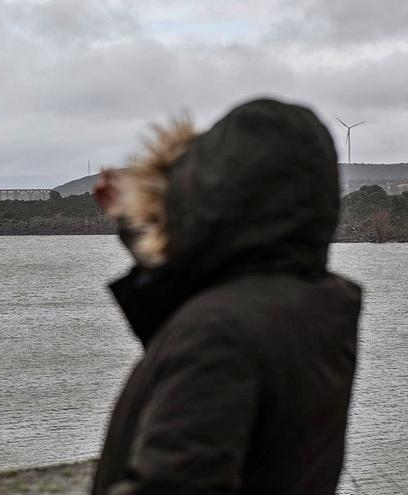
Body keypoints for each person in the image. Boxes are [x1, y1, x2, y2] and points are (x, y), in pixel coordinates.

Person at [91, 98, 362, 495]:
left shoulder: (220, 333)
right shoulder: (322, 305)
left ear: (216, 201)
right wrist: (139, 226)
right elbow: (187, 335)